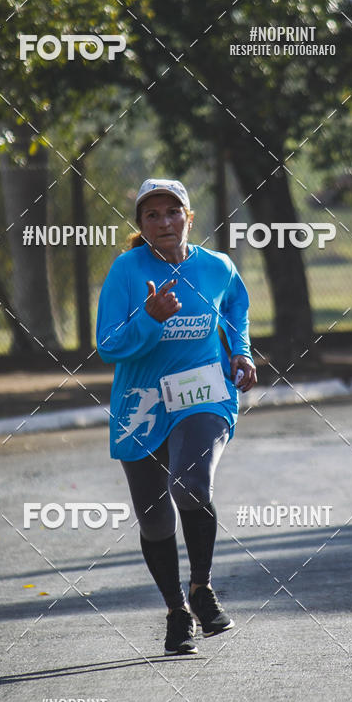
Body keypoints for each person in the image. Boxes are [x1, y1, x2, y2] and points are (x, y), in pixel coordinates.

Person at [96, 178, 256, 655]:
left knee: (191, 484)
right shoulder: (127, 271)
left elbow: (234, 312)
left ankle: (202, 589)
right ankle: (175, 612)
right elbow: (109, 345)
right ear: (140, 225)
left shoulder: (217, 267)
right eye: (152, 215)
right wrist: (150, 317)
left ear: (189, 217)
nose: (163, 222)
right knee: (154, 520)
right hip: (141, 403)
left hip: (203, 393)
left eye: (172, 212)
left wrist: (241, 354)